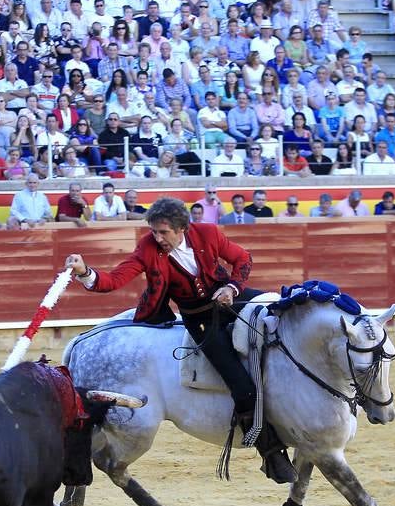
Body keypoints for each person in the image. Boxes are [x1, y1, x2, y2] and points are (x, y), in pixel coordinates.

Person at [64, 196, 297, 484]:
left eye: (163, 232)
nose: (157, 238)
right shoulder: (148, 249)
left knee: (280, 314)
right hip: (199, 318)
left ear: (182, 228)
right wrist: (85, 273)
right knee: (239, 382)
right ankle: (272, 452)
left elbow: (242, 259)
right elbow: (114, 280)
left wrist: (233, 288)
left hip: (231, 299)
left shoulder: (208, 233)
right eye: (154, 231)